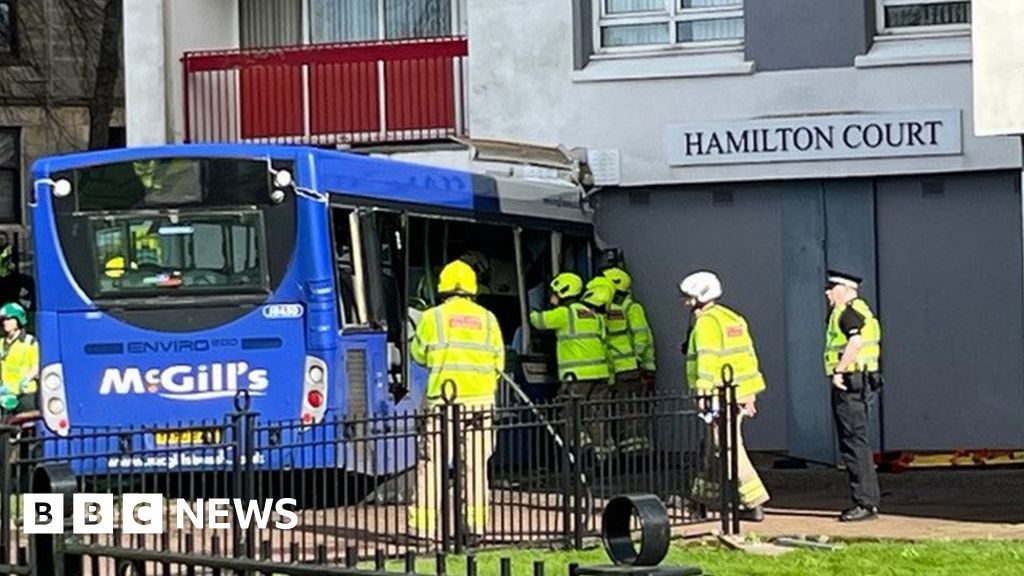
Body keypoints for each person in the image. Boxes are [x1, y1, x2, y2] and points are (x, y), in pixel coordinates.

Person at [407, 259, 505, 545]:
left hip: (442, 403)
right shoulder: (488, 318)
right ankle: (473, 529)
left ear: (443, 287)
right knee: (475, 466)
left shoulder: (431, 318)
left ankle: (423, 531)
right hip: (481, 403)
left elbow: (419, 355)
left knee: (432, 464)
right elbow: (499, 360)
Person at [680, 270, 769, 522]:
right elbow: (747, 358)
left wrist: (703, 394)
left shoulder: (706, 322)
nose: (686, 303)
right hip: (738, 392)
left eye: (689, 298)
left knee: (727, 447)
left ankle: (754, 501)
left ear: (700, 296)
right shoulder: (732, 318)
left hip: (720, 395)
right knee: (712, 448)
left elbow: (708, 360)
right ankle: (700, 501)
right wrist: (750, 393)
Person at [824, 270, 883, 522]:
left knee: (853, 443)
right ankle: (867, 500)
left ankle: (865, 503)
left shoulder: (848, 312)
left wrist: (839, 370)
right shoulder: (863, 310)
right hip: (863, 381)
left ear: (846, 289)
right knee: (857, 441)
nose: (827, 292)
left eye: (832, 287)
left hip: (850, 383)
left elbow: (855, 342)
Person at [529, 272, 612, 450]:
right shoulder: (592, 313)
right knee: (596, 415)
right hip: (600, 374)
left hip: (577, 376)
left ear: (562, 291)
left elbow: (537, 321)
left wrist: (532, 304)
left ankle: (582, 450)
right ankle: (603, 454)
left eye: (554, 292)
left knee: (569, 414)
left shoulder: (564, 313)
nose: (552, 296)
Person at [602, 266, 656, 451]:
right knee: (617, 410)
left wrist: (637, 360)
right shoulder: (607, 308)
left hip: (627, 369)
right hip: (612, 370)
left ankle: (636, 452)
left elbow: (642, 336)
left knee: (629, 411)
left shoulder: (632, 308)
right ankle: (625, 448)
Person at [0, 302, 38, 416]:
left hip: (25, 393)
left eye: (8, 319)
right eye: (3, 320)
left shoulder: (30, 341)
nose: (5, 322)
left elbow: (36, 365)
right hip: (6, 393)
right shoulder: (1, 343)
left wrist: (26, 379)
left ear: (18, 320)